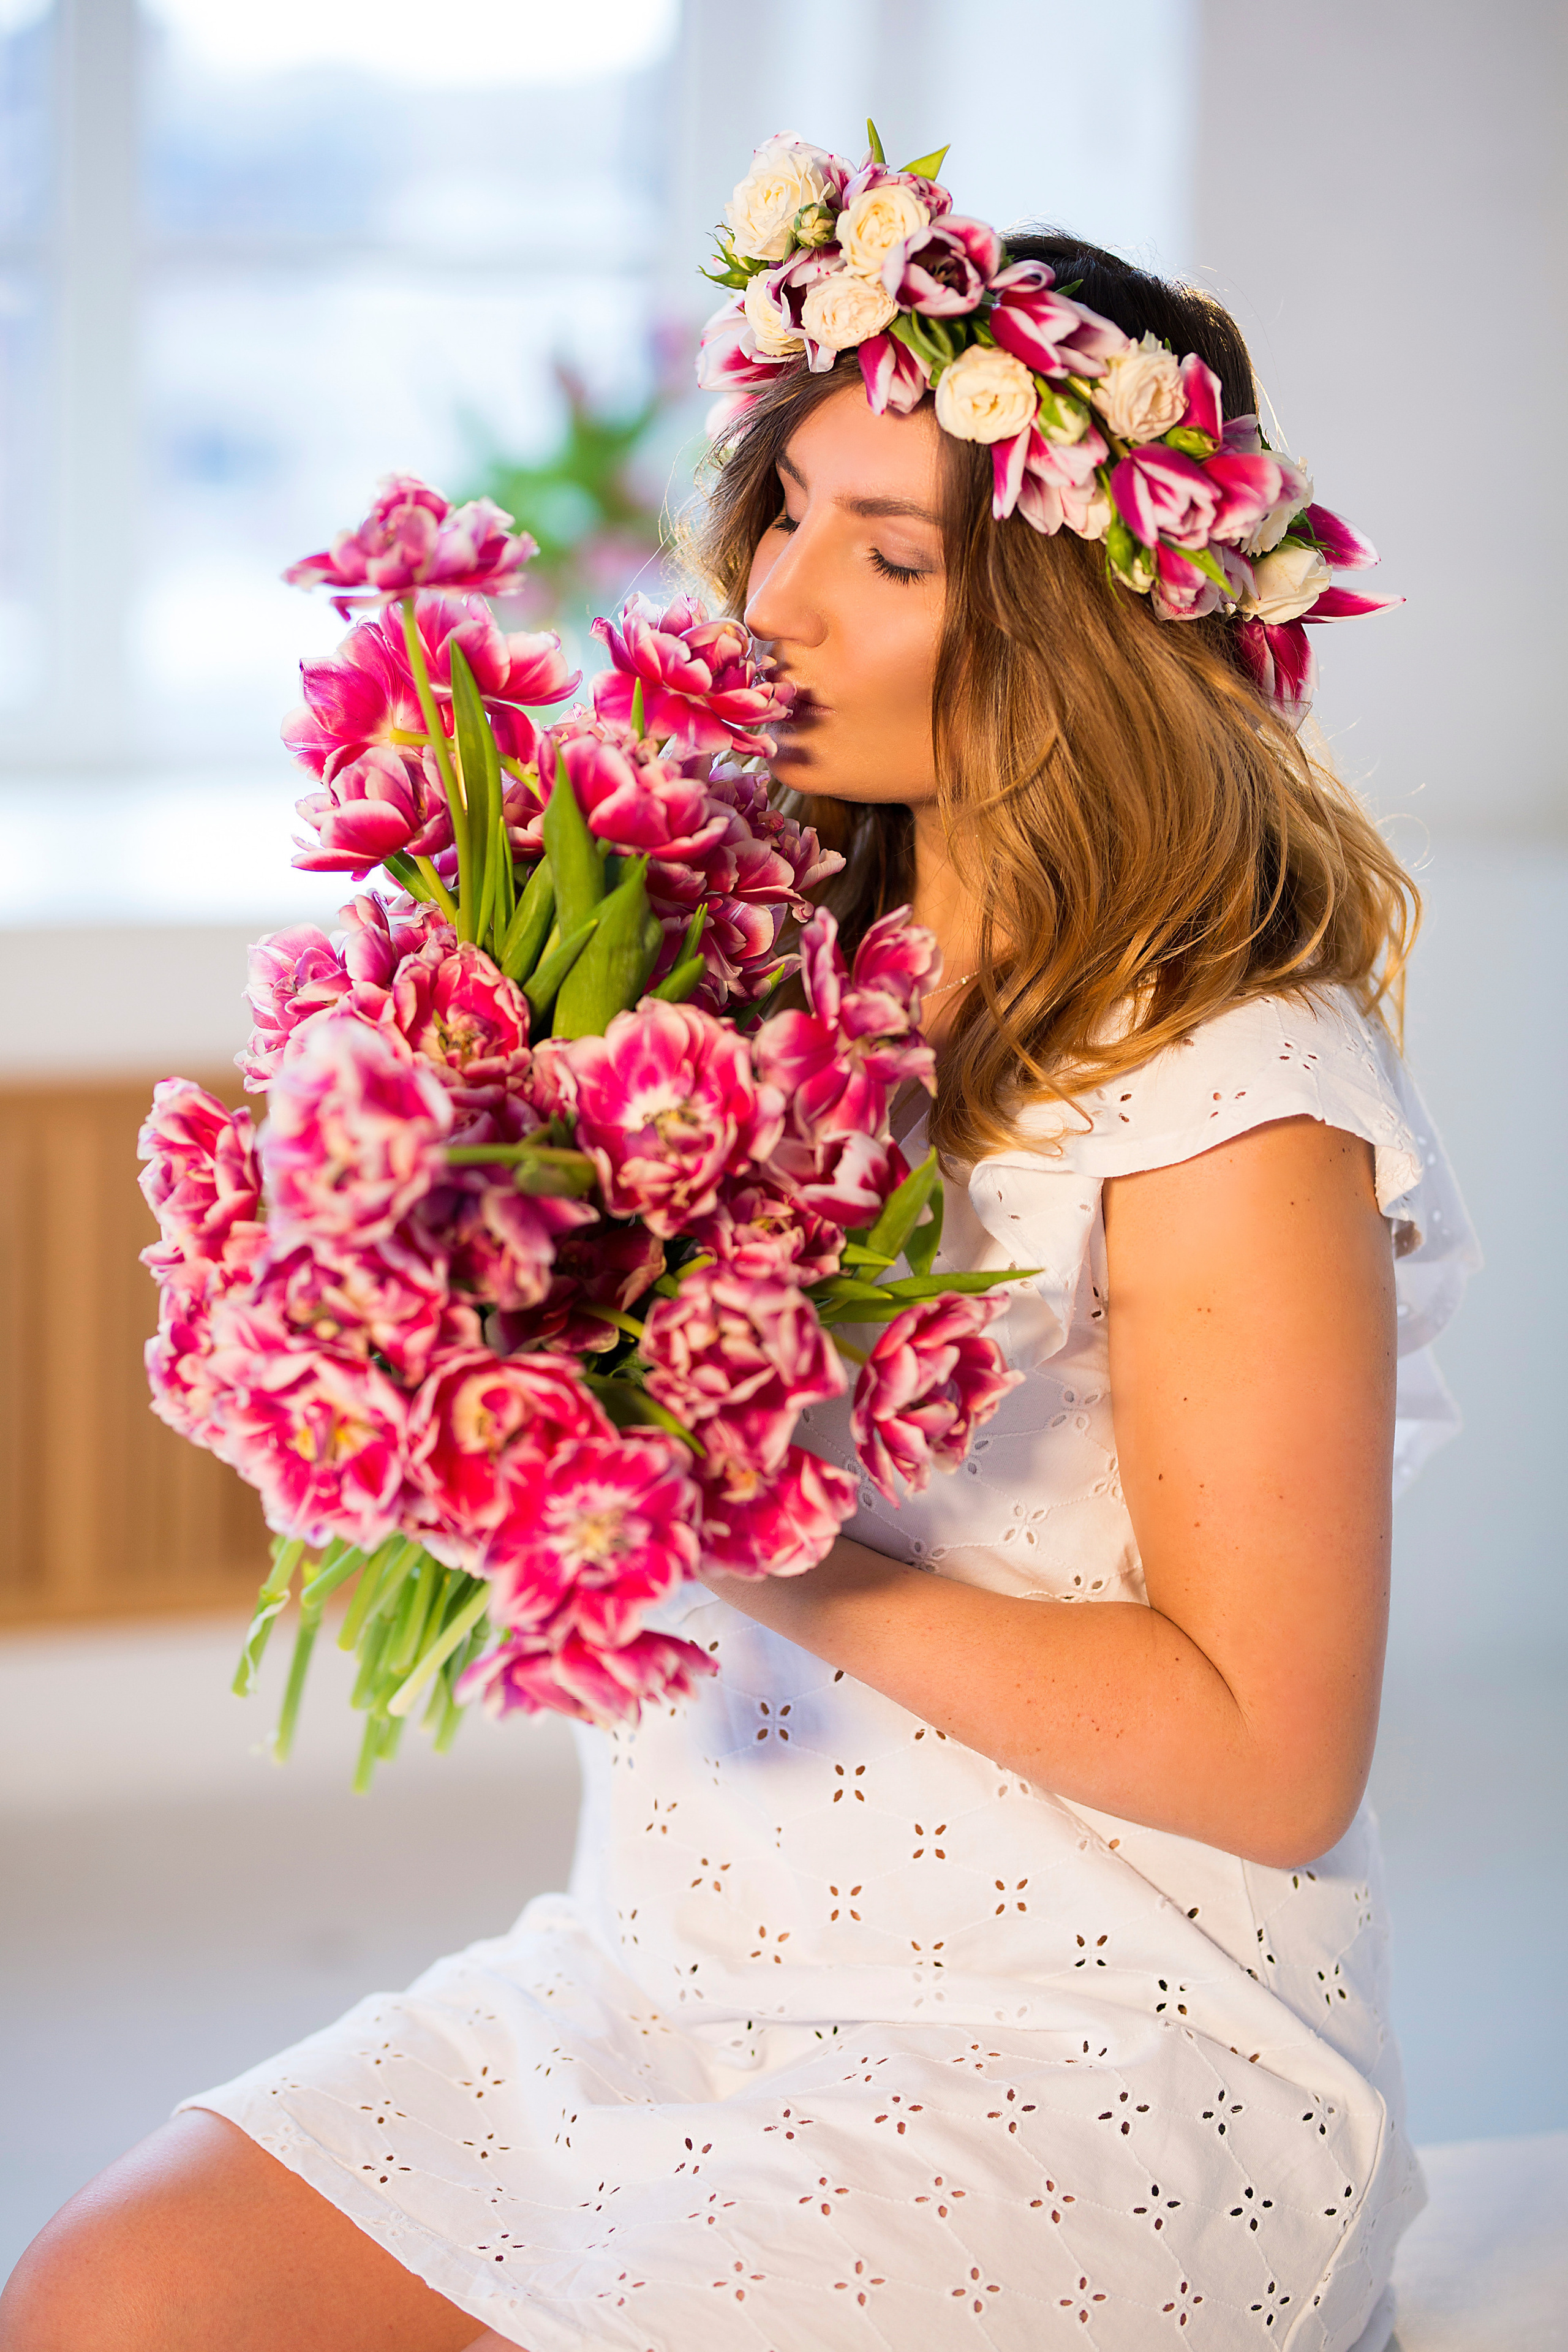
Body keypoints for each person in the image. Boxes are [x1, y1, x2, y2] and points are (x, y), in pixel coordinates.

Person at [1, 140, 1477, 2352]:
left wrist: (745, 1530)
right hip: (674, 1972)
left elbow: (1269, 1753)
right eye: (784, 509)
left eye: (885, 552)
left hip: (1095, 2063)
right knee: (97, 2304)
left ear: (1074, 629)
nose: (777, 599)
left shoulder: (1225, 1090)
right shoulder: (723, 956)